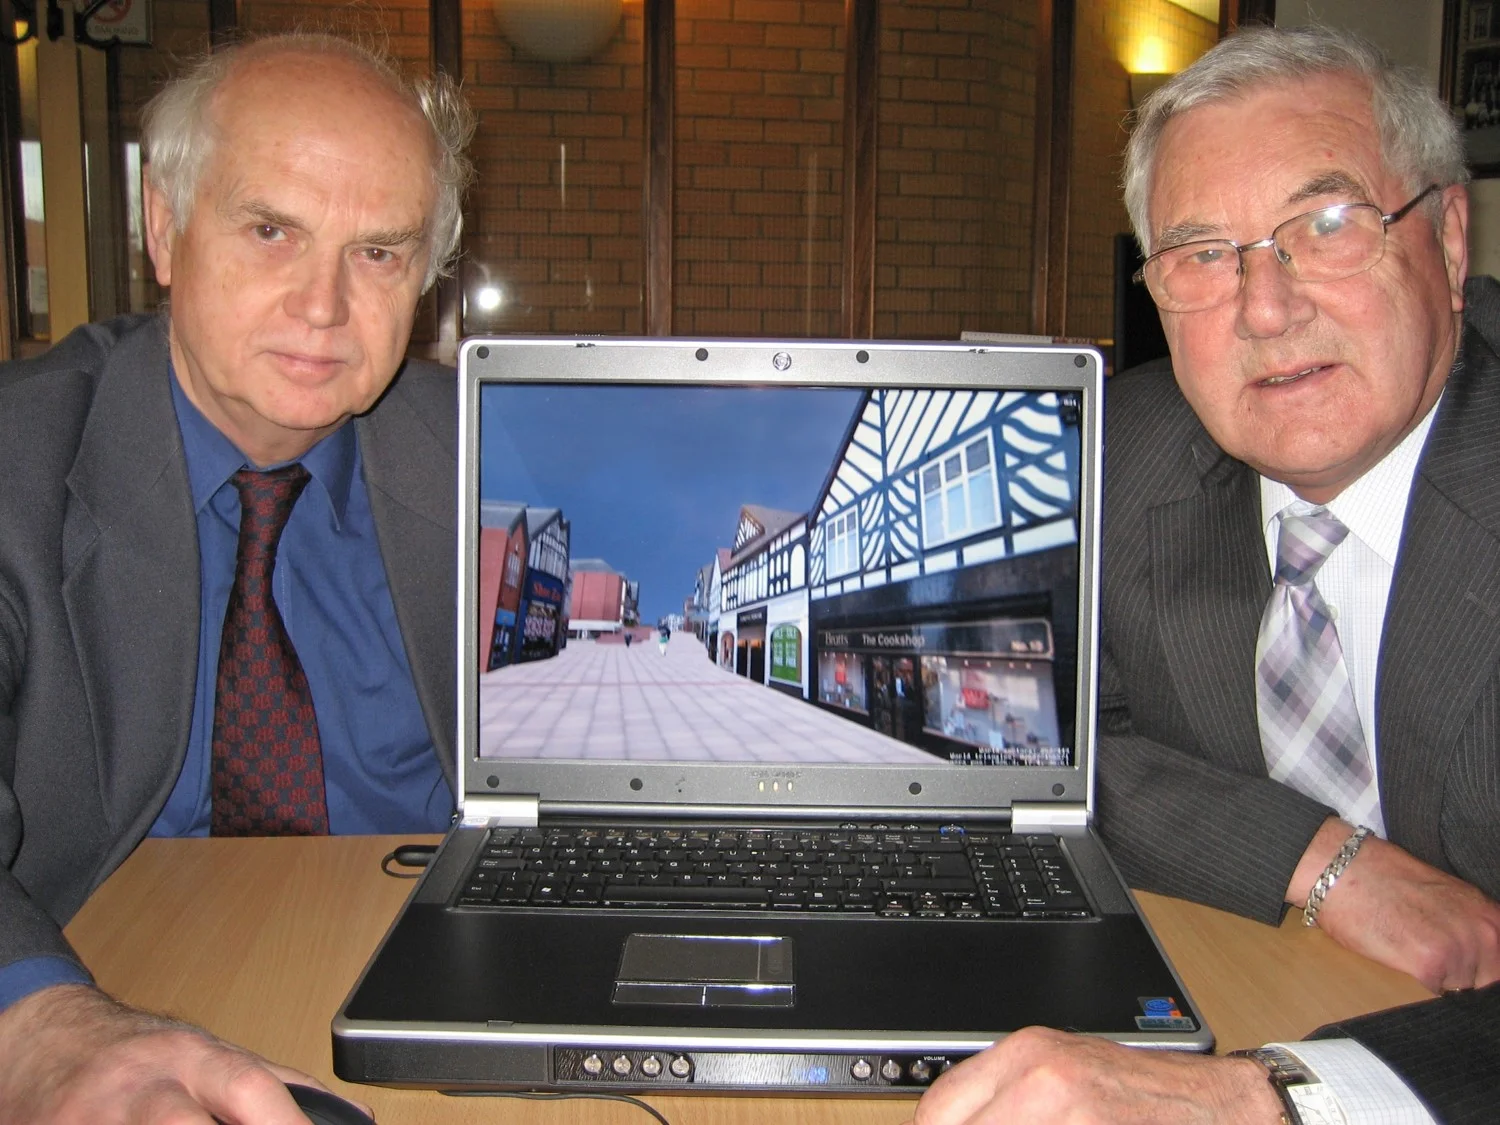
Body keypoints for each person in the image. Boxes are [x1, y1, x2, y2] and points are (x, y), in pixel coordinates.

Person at [913, 25, 1498, 1125]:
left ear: (1450, 242)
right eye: (1201, 255)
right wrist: (1323, 860)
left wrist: (1277, 1100)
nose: (1264, 310)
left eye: (1326, 227)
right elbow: (1038, 735)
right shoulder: (1123, 450)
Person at [0, 32, 474, 1123]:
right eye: (271, 231)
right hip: (110, 980)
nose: (323, 305)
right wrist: (34, 1025)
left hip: (438, 1005)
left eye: (381, 253)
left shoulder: (490, 457)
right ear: (163, 229)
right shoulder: (20, 459)